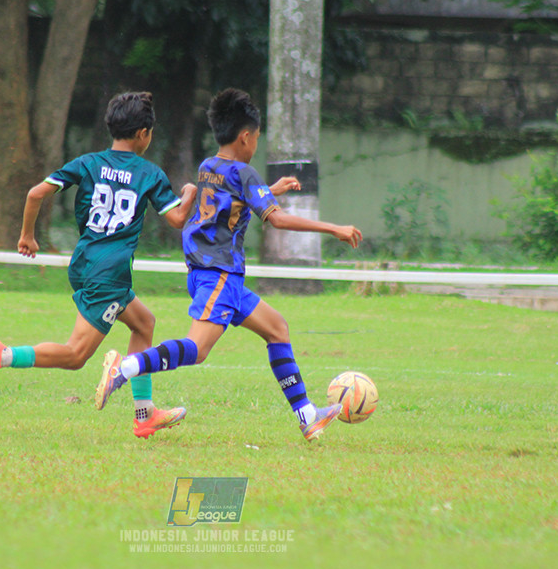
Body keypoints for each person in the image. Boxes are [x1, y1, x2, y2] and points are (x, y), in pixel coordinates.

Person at [94, 88, 363, 441]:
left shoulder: (210, 166)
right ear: (246, 137)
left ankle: (307, 415)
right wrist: (334, 228)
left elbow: (232, 202)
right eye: (256, 139)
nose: (255, 146)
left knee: (276, 329)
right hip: (218, 275)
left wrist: (270, 191)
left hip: (217, 276)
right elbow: (276, 220)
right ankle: (125, 366)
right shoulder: (244, 172)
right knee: (197, 350)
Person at [0, 91, 197, 439]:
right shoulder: (149, 173)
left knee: (144, 323)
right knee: (75, 356)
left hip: (85, 262)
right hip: (110, 272)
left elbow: (34, 194)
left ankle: (144, 414)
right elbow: (178, 219)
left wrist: (27, 236)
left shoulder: (88, 162)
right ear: (144, 134)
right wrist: (191, 193)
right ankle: (3, 354)